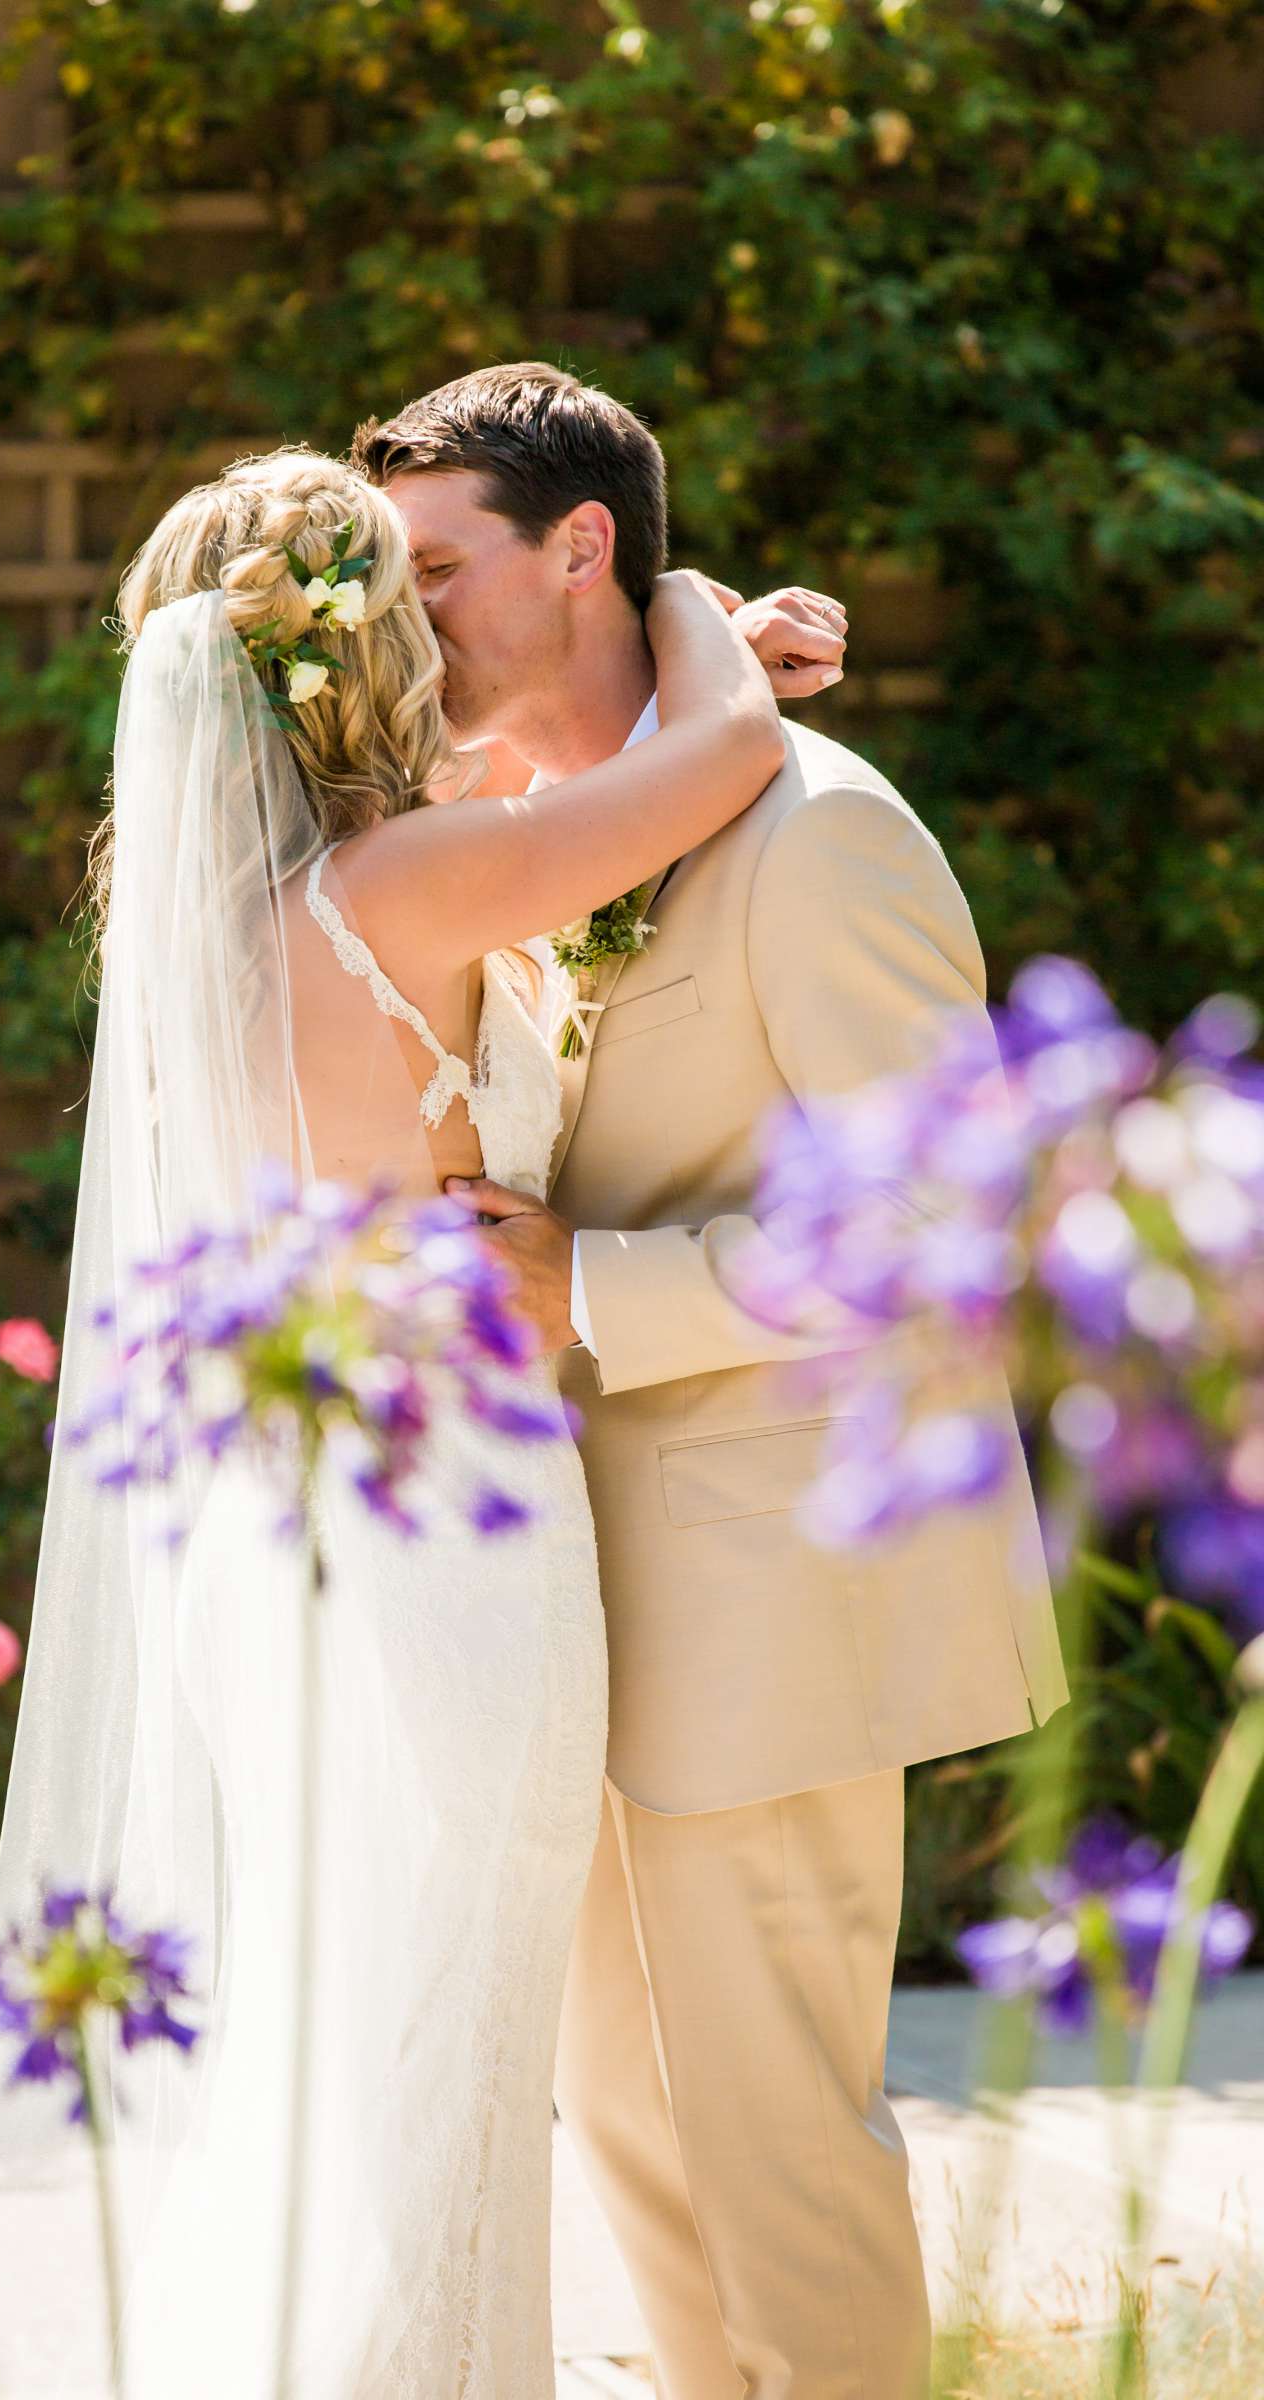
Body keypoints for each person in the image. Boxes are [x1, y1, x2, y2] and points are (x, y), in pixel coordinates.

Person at [0, 444, 844, 2398]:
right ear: (366, 650)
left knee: (338, 2053)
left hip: (275, 1549)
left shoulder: (244, 927)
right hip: (440, 1552)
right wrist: (688, 611)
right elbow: (725, 753)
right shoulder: (408, 884)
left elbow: (556, 811)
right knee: (440, 2062)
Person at [355, 362, 1070, 2400]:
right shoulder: (544, 826)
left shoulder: (826, 838)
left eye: (433, 572)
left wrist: (589, 1282)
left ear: (582, 550)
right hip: (563, 1605)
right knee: (635, 2130)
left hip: (775, 1596)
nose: (399, 628)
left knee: (774, 2148)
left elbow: (938, 1238)